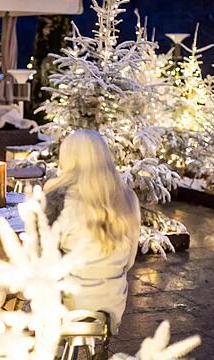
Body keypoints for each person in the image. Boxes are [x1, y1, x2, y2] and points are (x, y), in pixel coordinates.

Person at [44, 130, 140, 336]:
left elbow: (42, 255)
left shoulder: (57, 196)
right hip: (112, 307)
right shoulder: (128, 197)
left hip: (66, 306)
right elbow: (129, 261)